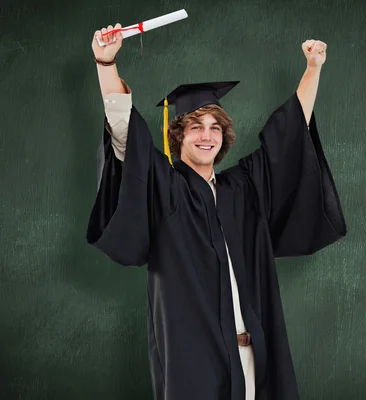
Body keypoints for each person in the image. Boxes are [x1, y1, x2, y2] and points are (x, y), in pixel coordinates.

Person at [87, 23, 347, 400]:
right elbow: (127, 134)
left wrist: (313, 69)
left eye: (214, 127)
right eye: (194, 126)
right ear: (178, 136)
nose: (206, 135)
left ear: (224, 137)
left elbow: (288, 135)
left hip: (253, 355)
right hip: (196, 364)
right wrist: (105, 64)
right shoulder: (167, 188)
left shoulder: (241, 189)